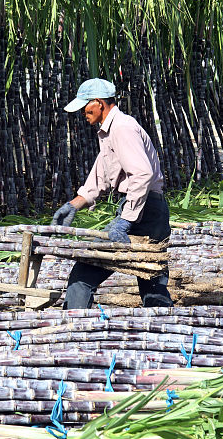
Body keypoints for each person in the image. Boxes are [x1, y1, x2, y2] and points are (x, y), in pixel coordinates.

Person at [52, 78, 173, 309]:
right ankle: (170, 329)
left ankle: (75, 330)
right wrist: (73, 205)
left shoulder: (122, 128)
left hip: (142, 210)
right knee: (151, 281)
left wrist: (125, 221)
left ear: (98, 103)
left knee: (84, 273)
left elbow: (142, 175)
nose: (83, 114)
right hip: (149, 210)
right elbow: (101, 175)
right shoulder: (111, 131)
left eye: (85, 108)